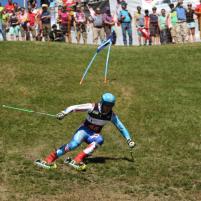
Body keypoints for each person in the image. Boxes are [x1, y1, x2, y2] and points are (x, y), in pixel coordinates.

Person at [35, 93, 135, 170]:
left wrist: (129, 140)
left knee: (99, 140)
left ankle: (77, 159)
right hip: (83, 130)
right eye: (107, 105)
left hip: (93, 135)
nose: (108, 108)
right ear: (102, 103)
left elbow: (121, 127)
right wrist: (64, 113)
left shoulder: (111, 115)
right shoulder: (92, 107)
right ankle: (49, 159)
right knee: (73, 145)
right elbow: (74, 107)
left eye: (111, 106)